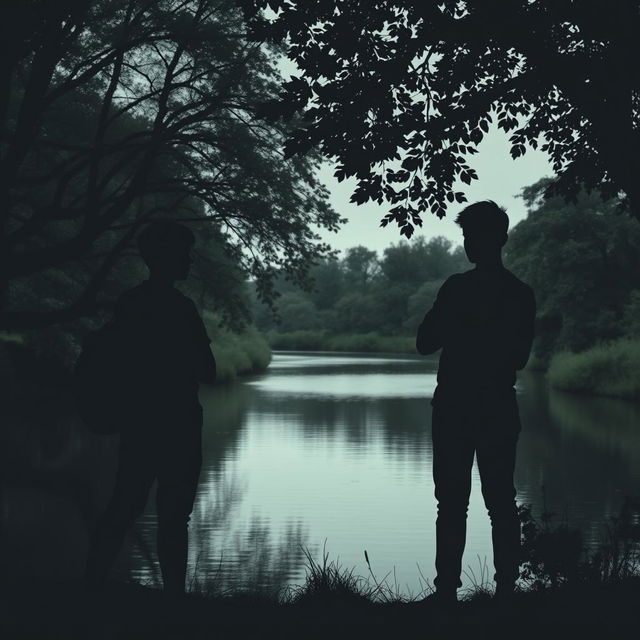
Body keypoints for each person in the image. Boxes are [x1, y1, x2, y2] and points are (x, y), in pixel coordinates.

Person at [84, 220, 216, 595]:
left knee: (124, 505)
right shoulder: (182, 308)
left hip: (139, 423)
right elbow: (208, 371)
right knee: (175, 517)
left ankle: (90, 587)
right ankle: (174, 599)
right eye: (184, 254)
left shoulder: (130, 304)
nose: (189, 261)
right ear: (166, 257)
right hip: (179, 425)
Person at [416, 201, 535, 605]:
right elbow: (518, 357)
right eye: (466, 236)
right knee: (499, 501)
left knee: (455, 503)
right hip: (494, 409)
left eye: (474, 236)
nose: (470, 244)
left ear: (499, 238)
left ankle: (448, 592)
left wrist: (460, 321)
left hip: (456, 408)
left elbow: (424, 342)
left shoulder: (457, 289)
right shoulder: (519, 294)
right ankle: (503, 592)